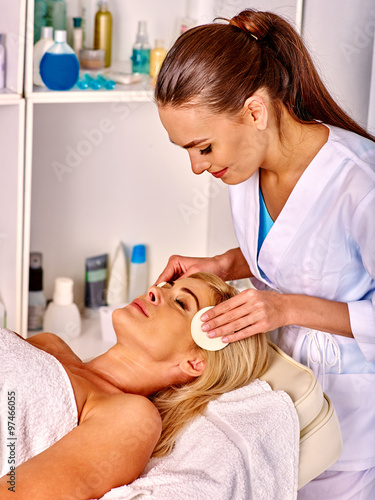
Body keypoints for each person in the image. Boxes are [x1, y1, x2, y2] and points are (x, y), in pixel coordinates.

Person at [154, 8, 375, 500]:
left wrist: (287, 307)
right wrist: (222, 266)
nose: (196, 167)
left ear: (253, 111)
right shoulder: (246, 168)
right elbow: (295, 252)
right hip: (278, 408)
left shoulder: (360, 184)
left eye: (203, 147)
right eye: (186, 150)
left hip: (351, 426)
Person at [0, 272, 268, 499]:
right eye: (165, 286)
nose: (153, 290)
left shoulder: (131, 417)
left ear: (195, 361)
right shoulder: (50, 343)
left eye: (181, 303)